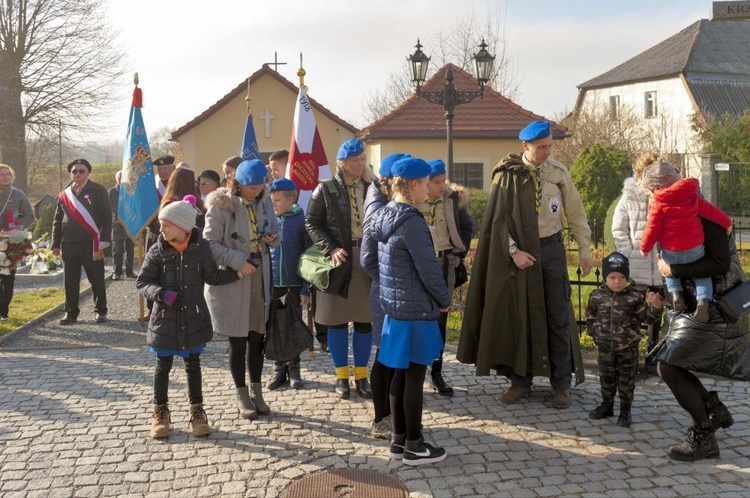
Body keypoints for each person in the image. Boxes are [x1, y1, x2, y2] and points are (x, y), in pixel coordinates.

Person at [457, 120, 591, 409]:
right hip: (520, 258)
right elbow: (496, 223)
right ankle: (520, 381)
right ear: (525, 147)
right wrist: (514, 251)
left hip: (552, 252)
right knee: (520, 317)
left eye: (549, 146)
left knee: (557, 317)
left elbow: (576, 213)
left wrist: (584, 250)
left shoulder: (558, 174)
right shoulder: (506, 177)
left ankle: (560, 385)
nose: (546, 152)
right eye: (541, 147)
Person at [362, 157, 451, 466]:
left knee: (399, 376)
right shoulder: (412, 222)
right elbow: (428, 269)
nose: (428, 191)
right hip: (415, 311)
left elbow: (371, 262)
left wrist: (390, 289)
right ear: (413, 185)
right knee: (414, 378)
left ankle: (398, 441)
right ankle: (415, 444)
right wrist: (444, 298)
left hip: (394, 311)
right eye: (426, 185)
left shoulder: (381, 215)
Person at [136, 196, 238, 439]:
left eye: (166, 225)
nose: (161, 229)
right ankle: (160, 412)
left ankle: (197, 412)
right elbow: (142, 282)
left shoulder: (200, 248)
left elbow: (212, 276)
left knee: (193, 365)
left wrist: (238, 273)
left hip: (193, 319)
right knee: (163, 367)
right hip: (164, 321)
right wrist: (161, 294)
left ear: (182, 227)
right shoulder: (157, 250)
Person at [653, 218, 749, 461]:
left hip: (713, 309)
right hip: (697, 307)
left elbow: (718, 263)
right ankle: (713, 413)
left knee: (668, 365)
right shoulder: (682, 214)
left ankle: (704, 434)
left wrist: (672, 271)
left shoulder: (706, 219)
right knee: (670, 364)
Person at [204, 159, 280, 420]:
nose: (257, 191)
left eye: (261, 187)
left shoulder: (265, 199)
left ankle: (257, 390)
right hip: (235, 276)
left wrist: (273, 236)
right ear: (238, 183)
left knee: (257, 337)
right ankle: (241, 393)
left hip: (260, 275)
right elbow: (211, 243)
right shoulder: (220, 206)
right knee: (238, 339)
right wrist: (238, 261)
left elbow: (275, 228)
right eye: (252, 188)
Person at [306, 138, 373, 399]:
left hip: (366, 258)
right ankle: (341, 377)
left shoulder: (372, 187)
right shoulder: (326, 189)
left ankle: (362, 376)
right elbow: (312, 223)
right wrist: (330, 247)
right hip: (338, 260)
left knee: (364, 320)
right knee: (337, 321)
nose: (360, 164)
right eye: (355, 161)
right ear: (342, 163)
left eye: (362, 159)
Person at [639, 158, 732, 323]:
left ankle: (676, 295)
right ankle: (704, 301)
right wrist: (727, 222)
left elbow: (651, 229)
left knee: (667, 271)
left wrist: (645, 248)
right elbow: (711, 211)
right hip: (695, 248)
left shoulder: (658, 204)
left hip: (671, 250)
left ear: (655, 188)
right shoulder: (692, 197)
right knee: (703, 278)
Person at [611, 152, 677, 364]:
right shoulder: (629, 196)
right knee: (633, 312)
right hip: (637, 265)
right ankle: (630, 355)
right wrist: (627, 252)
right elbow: (618, 227)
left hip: (662, 265)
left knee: (658, 314)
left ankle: (653, 355)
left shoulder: (667, 193)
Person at [362, 152, 410, 438]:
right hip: (385, 291)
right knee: (384, 355)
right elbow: (368, 259)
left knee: (390, 355)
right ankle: (381, 418)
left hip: (391, 290)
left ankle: (392, 414)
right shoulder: (378, 207)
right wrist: (390, 283)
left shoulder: (385, 201)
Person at [586, 252, 663, 428]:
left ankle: (625, 410)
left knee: (626, 381)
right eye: (612, 277)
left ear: (627, 278)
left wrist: (656, 307)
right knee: (606, 378)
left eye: (621, 277)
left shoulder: (634, 297)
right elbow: (590, 315)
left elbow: (648, 319)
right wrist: (594, 332)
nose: (617, 281)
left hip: (628, 349)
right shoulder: (597, 296)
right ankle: (607, 405)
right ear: (605, 278)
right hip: (605, 347)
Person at [419, 159, 473, 397]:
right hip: (419, 264)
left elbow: (467, 228)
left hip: (443, 263)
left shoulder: (452, 200)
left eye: (443, 180)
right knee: (419, 318)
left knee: (440, 319)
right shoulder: (415, 200)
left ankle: (436, 371)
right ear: (425, 183)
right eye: (436, 182)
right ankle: (416, 370)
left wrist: (459, 254)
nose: (442, 185)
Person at [52, 159, 112, 325]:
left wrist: (105, 239)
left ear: (88, 173)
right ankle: (70, 313)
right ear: (70, 173)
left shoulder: (98, 190)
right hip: (69, 243)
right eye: (74, 171)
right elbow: (57, 220)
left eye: (81, 171)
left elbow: (107, 216)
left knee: (96, 278)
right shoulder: (64, 194)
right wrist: (55, 243)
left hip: (91, 243)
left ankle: (101, 311)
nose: (77, 174)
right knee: (70, 280)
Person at [266, 178, 310, 391]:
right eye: (271, 200)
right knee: (275, 325)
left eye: (276, 200)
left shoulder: (301, 221)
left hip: (293, 282)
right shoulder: (267, 219)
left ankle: (294, 368)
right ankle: (278, 368)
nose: (273, 204)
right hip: (274, 282)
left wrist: (305, 288)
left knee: (292, 325)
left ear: (291, 199)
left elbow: (307, 256)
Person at [0, 164, 34, 321]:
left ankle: (4, 310)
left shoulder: (18, 194)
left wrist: (15, 228)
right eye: (2, 174)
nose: (5, 176)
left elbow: (29, 215)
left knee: (7, 276)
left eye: (8, 174)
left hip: (10, 241)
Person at [108, 170, 136, 280]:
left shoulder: (131, 191)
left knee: (130, 250)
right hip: (117, 225)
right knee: (117, 251)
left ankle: (129, 271)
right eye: (119, 177)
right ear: (116, 179)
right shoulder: (111, 192)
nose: (121, 179)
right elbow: (108, 209)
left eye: (123, 177)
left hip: (130, 224)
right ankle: (117, 272)